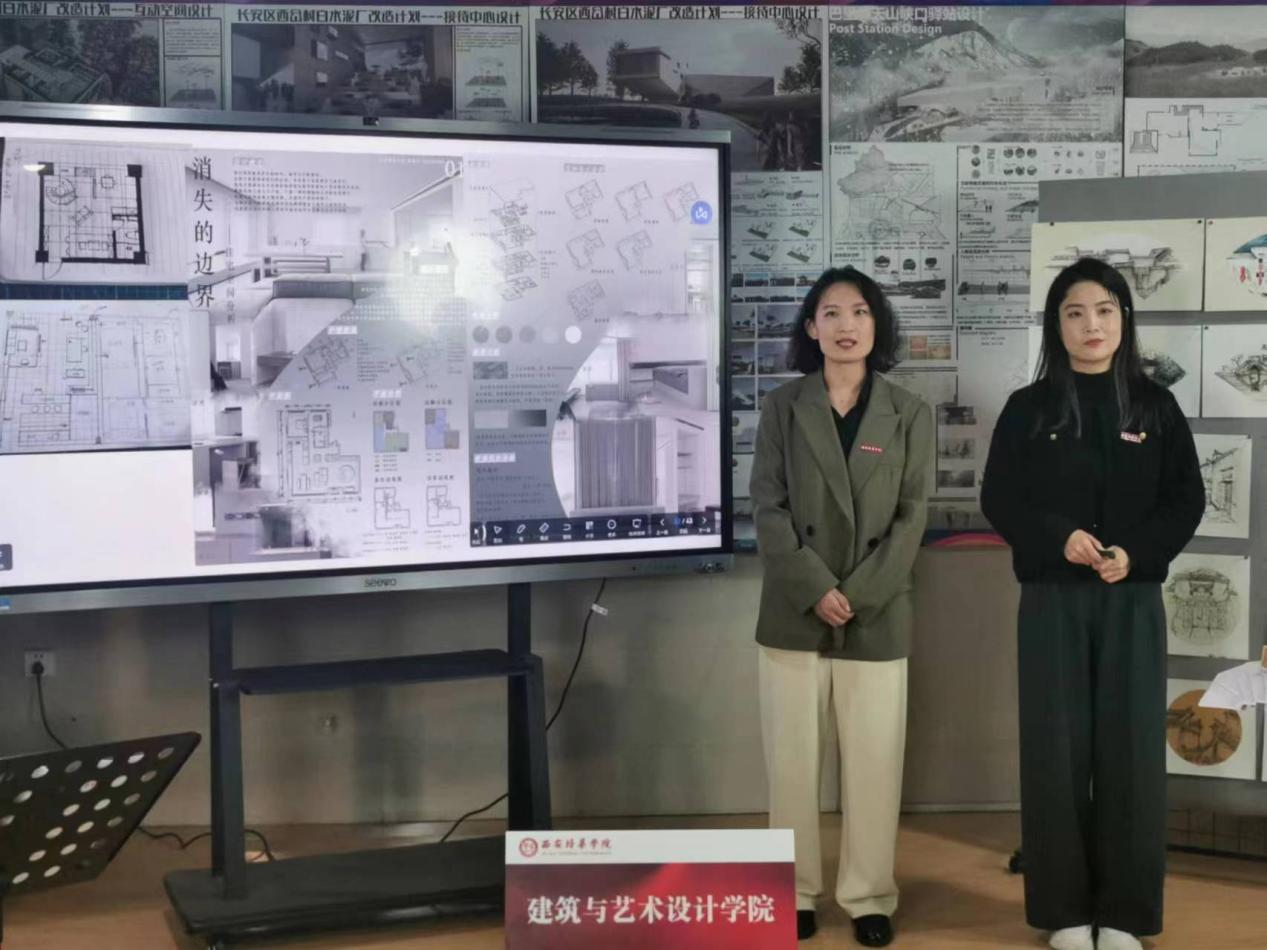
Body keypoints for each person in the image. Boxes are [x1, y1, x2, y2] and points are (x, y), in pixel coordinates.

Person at [980, 257, 1204, 950]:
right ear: (1057, 325)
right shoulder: (1029, 408)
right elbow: (1000, 497)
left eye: (1104, 310)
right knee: (1055, 752)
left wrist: (1135, 552)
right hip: (1051, 600)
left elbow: (1184, 500)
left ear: (1124, 319)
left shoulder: (1154, 406)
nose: (1091, 325)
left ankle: (1126, 914)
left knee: (1131, 754)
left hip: (1131, 600)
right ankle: (1064, 912)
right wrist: (1060, 537)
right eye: (1074, 313)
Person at [750, 266, 933, 947]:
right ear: (811, 328)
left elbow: (912, 517)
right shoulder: (782, 406)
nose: (846, 325)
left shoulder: (908, 411)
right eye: (831, 313)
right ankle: (794, 890)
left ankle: (869, 895)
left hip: (875, 609)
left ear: (876, 325)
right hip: (794, 609)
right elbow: (767, 507)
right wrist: (814, 587)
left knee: (875, 762)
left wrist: (855, 594)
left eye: (859, 311)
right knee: (790, 763)